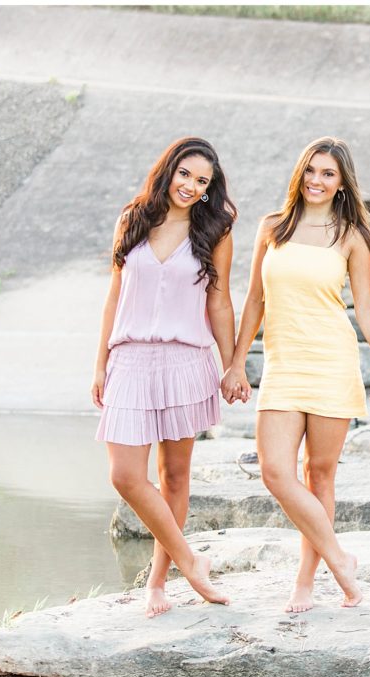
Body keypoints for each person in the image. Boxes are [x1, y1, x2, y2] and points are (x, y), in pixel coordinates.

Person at [221, 136, 370, 612]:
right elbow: (255, 299)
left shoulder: (351, 237)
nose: (318, 181)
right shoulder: (272, 228)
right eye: (312, 171)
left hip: (331, 359)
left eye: (329, 174)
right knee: (277, 472)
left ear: (341, 185)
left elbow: (365, 306)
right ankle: (340, 557)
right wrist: (237, 362)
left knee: (319, 476)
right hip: (282, 362)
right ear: (300, 173)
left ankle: (306, 580)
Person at [92, 137, 238, 617]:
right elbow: (114, 296)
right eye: (185, 174)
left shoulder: (215, 230)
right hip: (130, 360)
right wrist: (100, 363)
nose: (192, 187)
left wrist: (232, 362)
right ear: (168, 170)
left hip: (185, 362)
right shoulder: (132, 219)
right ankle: (191, 560)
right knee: (125, 475)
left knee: (173, 475)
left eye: (202, 181)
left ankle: (157, 584)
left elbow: (219, 301)